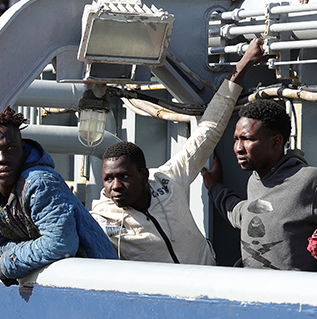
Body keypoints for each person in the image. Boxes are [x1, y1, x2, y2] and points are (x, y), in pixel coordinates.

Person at [90, 39, 267, 265]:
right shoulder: (101, 220)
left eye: (123, 176)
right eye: (108, 179)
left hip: (209, 286)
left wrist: (243, 65)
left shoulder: (167, 181)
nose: (115, 186)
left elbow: (208, 131)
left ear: (144, 175)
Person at [0, 107, 117, 287]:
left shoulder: (41, 183)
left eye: (11, 148)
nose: (2, 159)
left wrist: (11, 262)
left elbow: (61, 244)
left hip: (97, 282)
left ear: (23, 150)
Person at [201, 99, 317, 271]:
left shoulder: (309, 180)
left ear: (276, 142)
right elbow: (243, 213)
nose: (238, 148)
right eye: (236, 139)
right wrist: (214, 187)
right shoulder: (254, 180)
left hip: (294, 295)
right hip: (254, 292)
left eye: (247, 139)